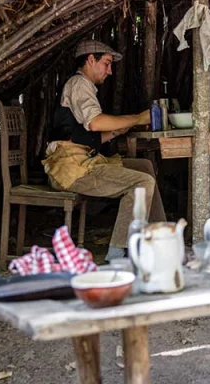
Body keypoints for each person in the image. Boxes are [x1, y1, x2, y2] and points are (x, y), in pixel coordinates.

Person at [43, 40, 165, 261]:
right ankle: (118, 254)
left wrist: (120, 128)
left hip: (83, 161)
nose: (110, 71)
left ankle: (161, 237)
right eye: (107, 63)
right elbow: (95, 123)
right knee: (142, 182)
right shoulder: (79, 84)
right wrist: (138, 117)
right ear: (91, 60)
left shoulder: (83, 87)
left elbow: (89, 134)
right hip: (71, 169)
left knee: (144, 168)